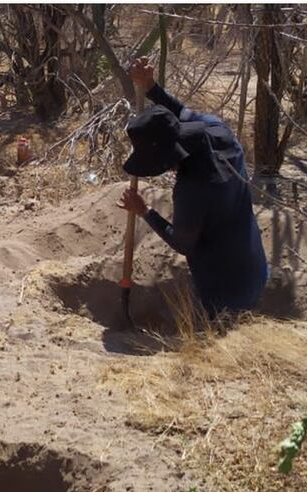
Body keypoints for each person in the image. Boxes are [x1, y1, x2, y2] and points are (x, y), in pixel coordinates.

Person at [117, 58, 268, 319]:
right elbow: (182, 114)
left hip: (224, 291)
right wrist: (152, 88)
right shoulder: (218, 131)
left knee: (222, 340)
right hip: (255, 267)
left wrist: (144, 211)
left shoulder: (193, 187)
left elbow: (182, 242)